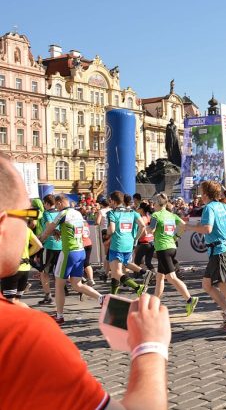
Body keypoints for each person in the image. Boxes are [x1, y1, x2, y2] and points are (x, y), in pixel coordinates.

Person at [0, 156, 172, 409]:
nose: (30, 224)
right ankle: (105, 298)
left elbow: (49, 233)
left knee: (63, 282)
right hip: (85, 250)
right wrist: (151, 346)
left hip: (74, 250)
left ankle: (65, 310)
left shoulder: (24, 334)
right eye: (27, 216)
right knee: (77, 282)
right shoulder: (25, 332)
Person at [185, 181, 226, 335]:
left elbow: (207, 229)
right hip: (219, 251)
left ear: (206, 194)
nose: (200, 195)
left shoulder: (209, 208)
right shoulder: (222, 206)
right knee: (206, 284)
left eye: (201, 192)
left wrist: (188, 227)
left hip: (218, 252)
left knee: (225, 288)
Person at [40, 194, 104, 324]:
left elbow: (48, 230)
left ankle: (59, 316)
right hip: (80, 251)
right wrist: (58, 232)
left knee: (59, 284)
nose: (56, 208)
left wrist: (37, 240)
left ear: (59, 203)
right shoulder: (77, 213)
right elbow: (68, 229)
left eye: (56, 206)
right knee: (77, 284)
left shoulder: (63, 213)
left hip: (68, 252)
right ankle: (101, 298)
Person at [149, 193, 199, 316]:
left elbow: (151, 230)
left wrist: (144, 229)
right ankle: (155, 304)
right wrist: (176, 236)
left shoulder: (155, 215)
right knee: (159, 277)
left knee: (171, 277)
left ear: (157, 203)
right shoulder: (172, 215)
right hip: (171, 247)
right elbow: (184, 225)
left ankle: (189, 299)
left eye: (153, 203)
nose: (152, 205)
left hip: (162, 249)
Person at [105, 191, 150, 297]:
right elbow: (143, 226)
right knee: (118, 271)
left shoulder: (112, 213)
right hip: (129, 244)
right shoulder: (133, 212)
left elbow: (111, 230)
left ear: (113, 201)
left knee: (116, 273)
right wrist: (136, 238)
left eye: (109, 201)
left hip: (117, 244)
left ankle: (137, 287)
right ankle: (113, 296)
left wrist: (106, 232)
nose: (109, 203)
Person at [1, 223, 42, 304]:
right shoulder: (26, 229)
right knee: (16, 301)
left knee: (9, 302)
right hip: (25, 268)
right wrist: (26, 256)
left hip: (11, 270)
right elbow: (38, 245)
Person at [36, 194, 61, 305]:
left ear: (46, 203)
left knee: (44, 272)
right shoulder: (60, 212)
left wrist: (40, 238)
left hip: (50, 245)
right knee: (59, 271)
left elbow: (49, 227)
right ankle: (81, 284)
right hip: (61, 245)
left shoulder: (46, 213)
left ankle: (48, 296)